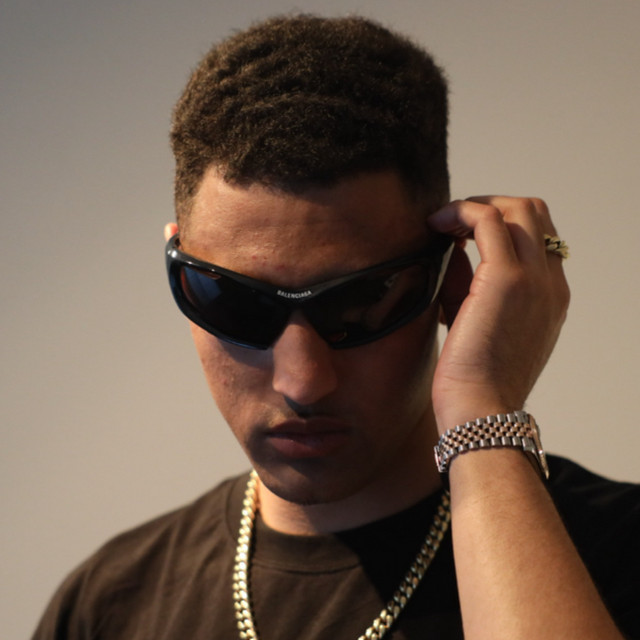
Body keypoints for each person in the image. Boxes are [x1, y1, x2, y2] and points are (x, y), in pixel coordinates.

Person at [32, 14, 639, 640]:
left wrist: (482, 405)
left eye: (359, 304)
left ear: (452, 276)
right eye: (236, 302)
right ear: (180, 262)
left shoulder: (619, 553)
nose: (303, 382)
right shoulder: (107, 605)